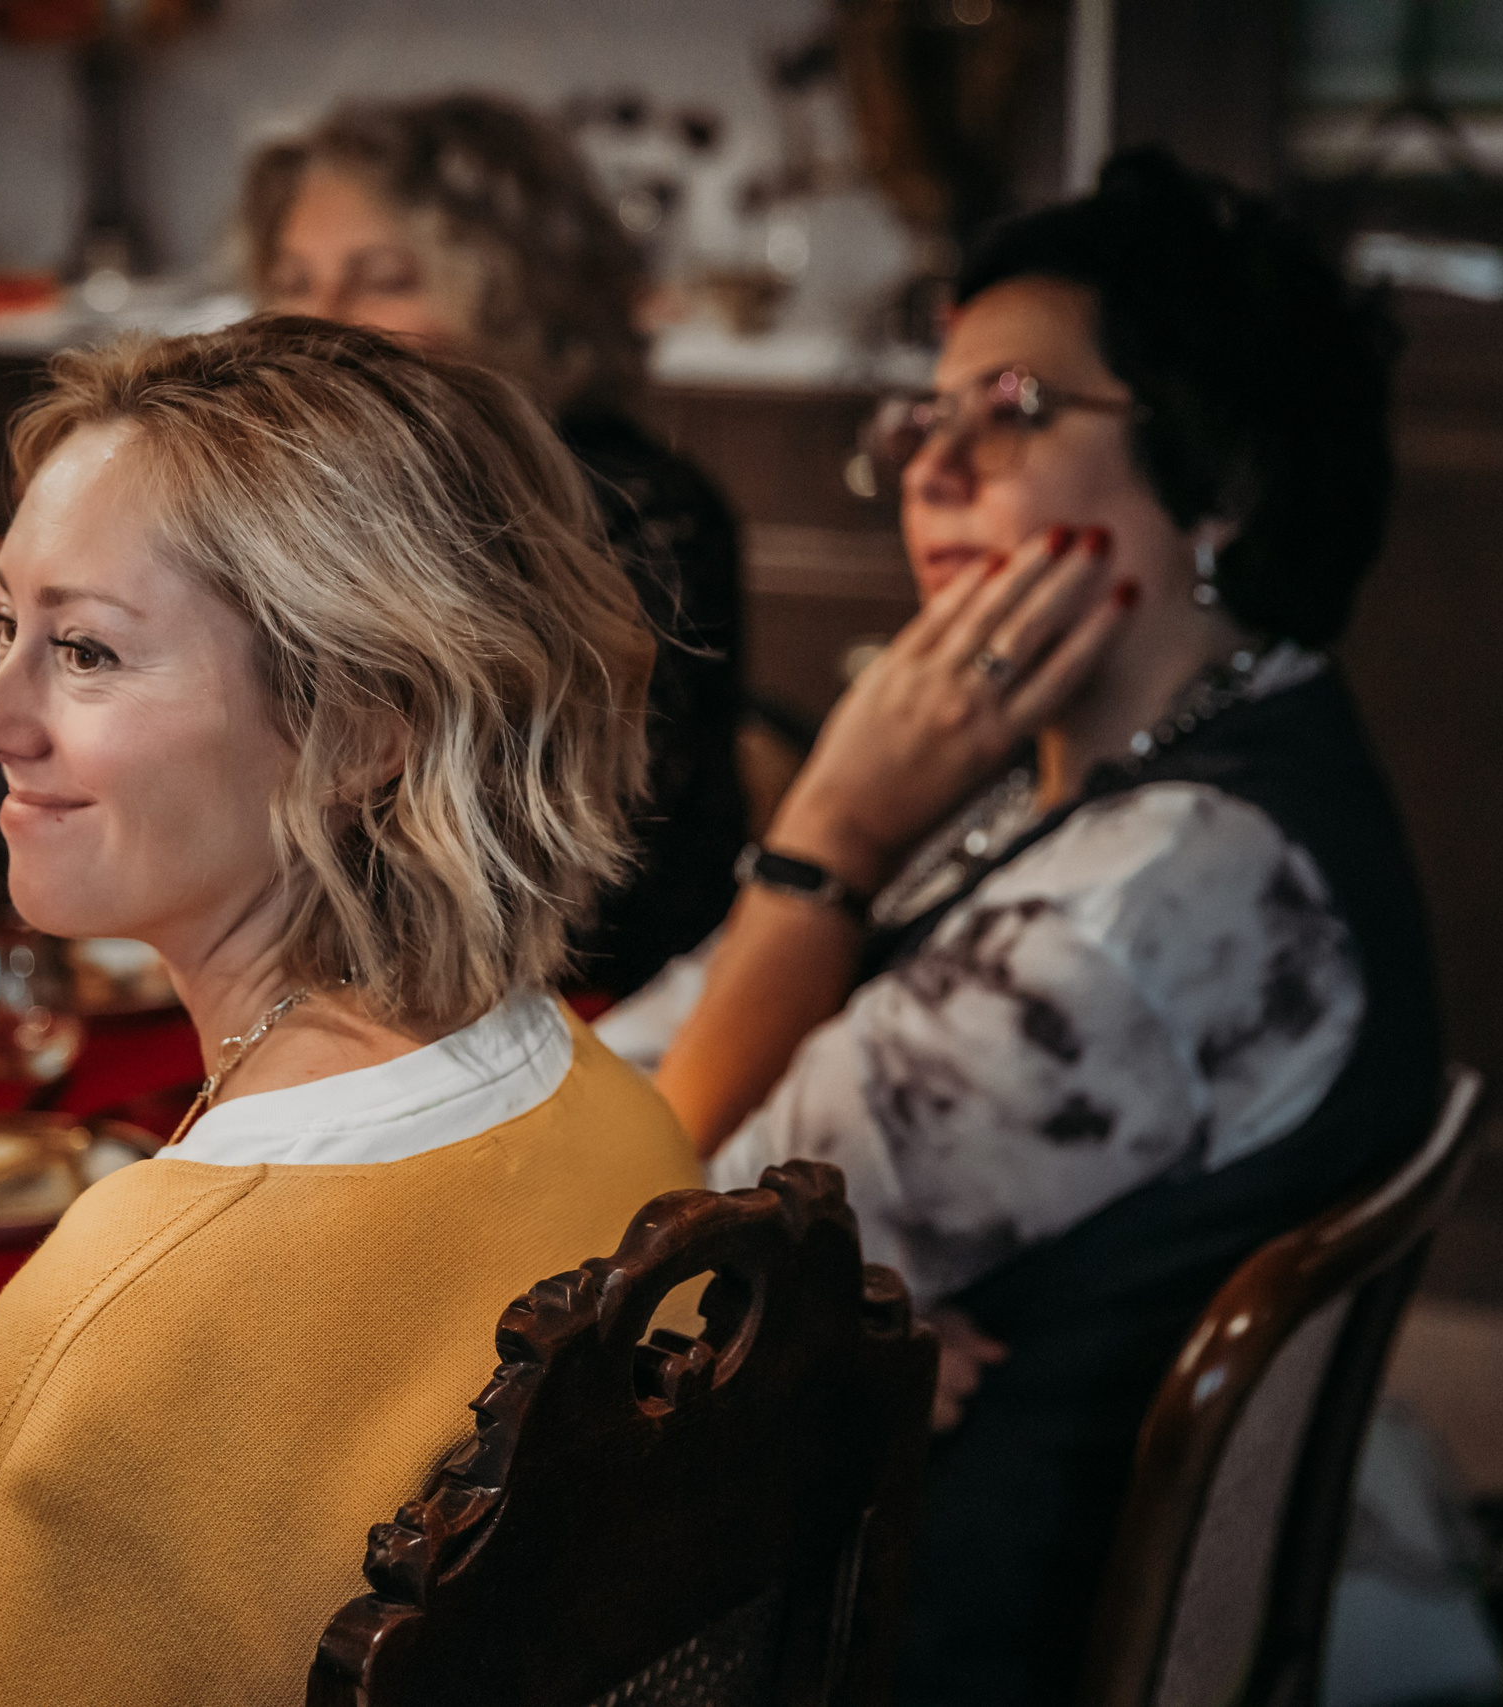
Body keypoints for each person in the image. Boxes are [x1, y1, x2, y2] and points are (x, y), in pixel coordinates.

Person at [597, 148, 1440, 1706]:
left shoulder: (1171, 888)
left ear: (1227, 480)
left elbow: (632, 1268)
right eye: (923, 415)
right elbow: (658, 1065)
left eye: (1013, 410)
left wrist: (824, 844)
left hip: (892, 1630)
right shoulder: (1073, 768)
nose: (931, 465)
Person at [0, 318, 702, 1705]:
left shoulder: (128, 1308)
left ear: (363, 727)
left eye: (85, 651)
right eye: (3, 628)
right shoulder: (618, 1112)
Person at [237, 92, 748, 997]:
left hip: (579, 1018)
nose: (314, 322)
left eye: (384, 278)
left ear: (519, 304)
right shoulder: (292, 495)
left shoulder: (634, 515)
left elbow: (566, 892)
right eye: (293, 277)